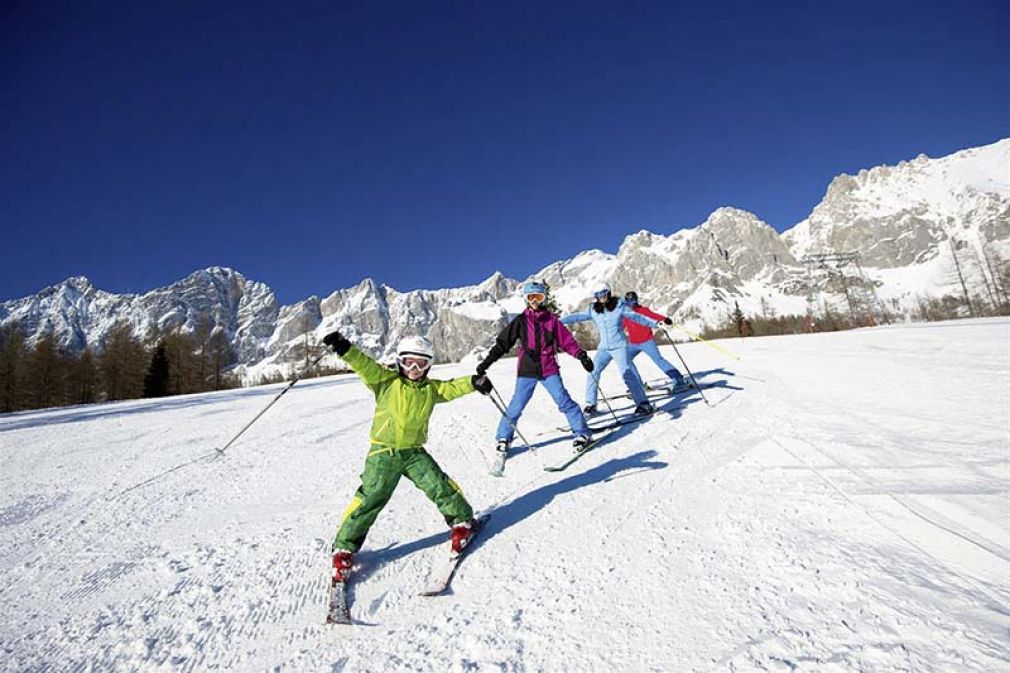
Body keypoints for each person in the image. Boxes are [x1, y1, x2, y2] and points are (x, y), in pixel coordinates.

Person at [322, 329, 493, 585]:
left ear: (429, 365)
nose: (414, 368)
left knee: (439, 485)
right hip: (384, 453)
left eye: (421, 363)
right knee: (370, 497)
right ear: (398, 361)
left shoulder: (430, 389)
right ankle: (344, 549)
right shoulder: (385, 381)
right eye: (408, 362)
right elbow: (363, 363)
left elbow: (451, 387)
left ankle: (463, 522)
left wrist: (473, 382)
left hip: (414, 452)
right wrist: (344, 348)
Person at [477, 281, 595, 472]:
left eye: (538, 297)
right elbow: (503, 344)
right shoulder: (520, 321)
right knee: (516, 405)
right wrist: (487, 363)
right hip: (527, 370)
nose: (534, 301)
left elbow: (567, 341)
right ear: (526, 299)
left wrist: (581, 355)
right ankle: (503, 438)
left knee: (563, 400)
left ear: (544, 298)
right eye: (531, 297)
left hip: (549, 368)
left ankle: (581, 433)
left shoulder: (552, 320)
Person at [561, 283, 659, 416]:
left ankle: (643, 404)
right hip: (604, 348)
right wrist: (559, 321)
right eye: (598, 295)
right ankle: (591, 405)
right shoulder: (593, 310)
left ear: (608, 292)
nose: (601, 297)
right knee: (592, 372)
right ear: (595, 296)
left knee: (627, 374)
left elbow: (637, 317)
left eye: (604, 293)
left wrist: (655, 323)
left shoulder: (619, 306)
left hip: (619, 346)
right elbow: (578, 316)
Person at [621, 290, 688, 389]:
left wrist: (664, 319)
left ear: (636, 301)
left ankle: (679, 380)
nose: (631, 304)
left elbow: (654, 316)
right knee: (625, 360)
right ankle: (638, 386)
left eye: (633, 302)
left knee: (658, 359)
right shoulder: (625, 314)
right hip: (633, 343)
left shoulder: (643, 310)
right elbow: (620, 327)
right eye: (629, 302)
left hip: (647, 341)